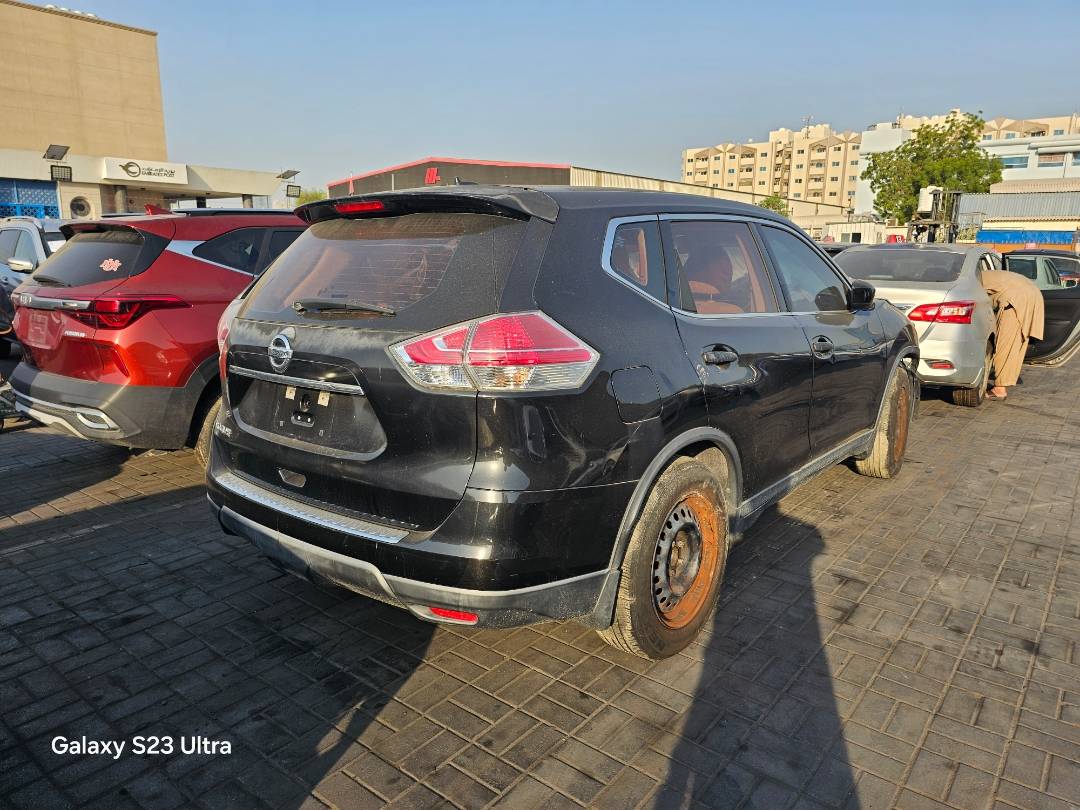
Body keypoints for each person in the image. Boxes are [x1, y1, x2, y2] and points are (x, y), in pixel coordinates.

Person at [981, 268, 1044, 400]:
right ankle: (1003, 382)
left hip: (1017, 301)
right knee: (1015, 347)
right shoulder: (982, 274)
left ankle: (1000, 389)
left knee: (1005, 346)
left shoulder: (970, 279)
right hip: (1031, 294)